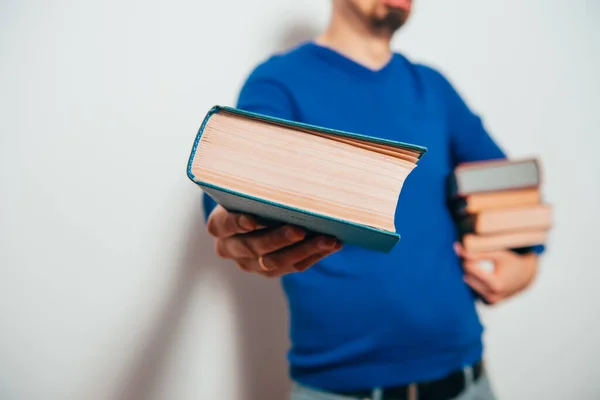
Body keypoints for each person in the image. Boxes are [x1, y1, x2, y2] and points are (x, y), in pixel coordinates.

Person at [202, 1, 544, 399]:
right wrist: (236, 220)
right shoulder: (279, 81)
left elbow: (512, 193)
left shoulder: (433, 87)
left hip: (466, 380)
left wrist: (526, 261)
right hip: (337, 388)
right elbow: (235, 192)